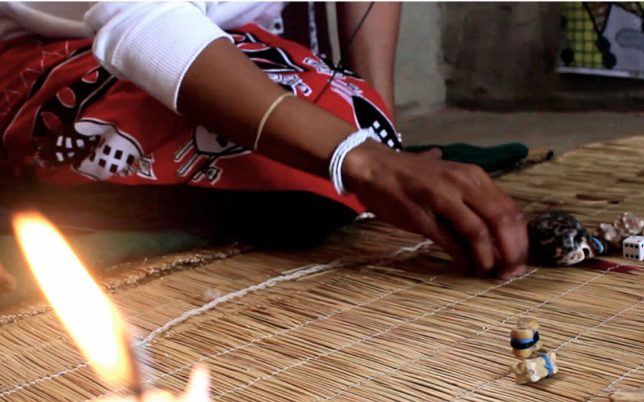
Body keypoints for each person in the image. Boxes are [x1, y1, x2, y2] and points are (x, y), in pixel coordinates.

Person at [0, 2, 528, 278]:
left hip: (242, 49)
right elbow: (140, 20)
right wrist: (361, 160)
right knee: (301, 162)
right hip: (61, 52)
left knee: (334, 124)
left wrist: (381, 139)